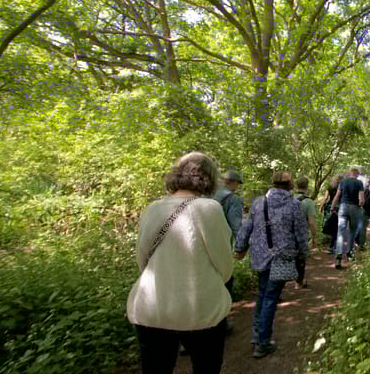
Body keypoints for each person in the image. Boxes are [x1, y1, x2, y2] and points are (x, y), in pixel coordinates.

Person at [126, 152, 233, 374]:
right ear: (210, 178)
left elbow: (142, 259)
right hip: (201, 311)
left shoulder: (154, 207)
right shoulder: (209, 208)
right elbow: (225, 265)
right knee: (206, 368)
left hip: (152, 309)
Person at [234, 171, 307, 359]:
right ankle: (262, 343)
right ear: (290, 185)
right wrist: (302, 254)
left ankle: (256, 335)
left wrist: (239, 248)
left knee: (262, 293)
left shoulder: (259, 203)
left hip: (260, 256)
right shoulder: (294, 205)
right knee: (270, 298)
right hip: (282, 258)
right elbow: (300, 233)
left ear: (273, 183)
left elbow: (246, 228)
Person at [214, 168, 244, 331]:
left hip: (196, 247)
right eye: (237, 184)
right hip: (221, 247)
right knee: (225, 284)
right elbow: (237, 226)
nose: (237, 187)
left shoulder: (205, 195)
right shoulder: (232, 199)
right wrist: (240, 248)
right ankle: (221, 324)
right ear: (232, 182)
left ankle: (187, 337)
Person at [330, 166, 364, 269]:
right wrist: (360, 206)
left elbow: (337, 196)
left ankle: (338, 257)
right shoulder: (359, 183)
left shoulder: (343, 182)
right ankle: (349, 252)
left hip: (343, 207)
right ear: (357, 174)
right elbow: (361, 200)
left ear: (350, 173)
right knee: (353, 231)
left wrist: (332, 207)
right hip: (355, 208)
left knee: (341, 232)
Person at [293, 176, 317, 289]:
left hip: (285, 233)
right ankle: (298, 282)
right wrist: (314, 237)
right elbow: (312, 223)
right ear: (307, 187)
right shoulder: (308, 202)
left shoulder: (288, 198)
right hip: (301, 234)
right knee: (300, 258)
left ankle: (279, 285)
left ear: (295, 186)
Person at [320, 174, 343, 253]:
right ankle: (335, 245)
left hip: (330, 207)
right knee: (338, 227)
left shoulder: (330, 187)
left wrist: (321, 206)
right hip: (341, 207)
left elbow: (325, 198)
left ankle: (330, 242)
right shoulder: (343, 187)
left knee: (329, 223)